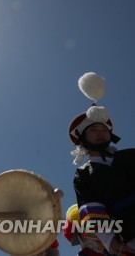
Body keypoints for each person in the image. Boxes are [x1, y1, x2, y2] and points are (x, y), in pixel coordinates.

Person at [68, 72, 135, 256]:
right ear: (82, 140)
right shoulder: (83, 175)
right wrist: (114, 245)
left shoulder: (130, 156)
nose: (101, 133)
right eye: (94, 129)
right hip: (129, 236)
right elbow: (93, 211)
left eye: (104, 129)